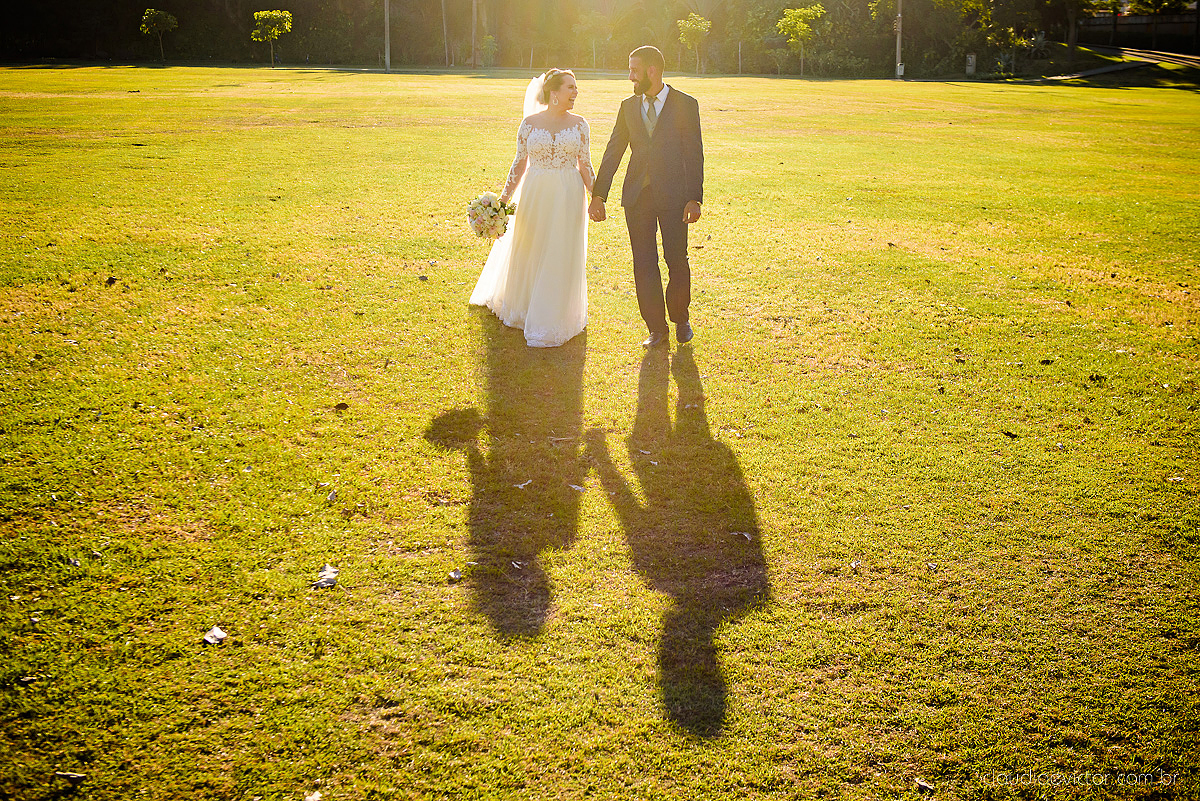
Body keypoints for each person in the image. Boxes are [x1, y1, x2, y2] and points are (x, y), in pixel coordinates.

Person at [590, 45, 704, 349]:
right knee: (643, 262)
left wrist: (694, 197)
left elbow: (694, 154)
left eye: (634, 70)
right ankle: (656, 328)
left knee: (676, 259)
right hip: (637, 196)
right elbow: (614, 150)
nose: (630, 77)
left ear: (652, 70)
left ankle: (680, 318)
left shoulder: (685, 105)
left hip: (675, 197)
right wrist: (599, 194)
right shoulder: (628, 107)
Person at [470, 69, 593, 348]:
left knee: (560, 249)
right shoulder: (529, 123)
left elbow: (585, 164)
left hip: (568, 194)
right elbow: (519, 163)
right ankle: (526, 306)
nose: (575, 93)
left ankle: (555, 311)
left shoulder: (580, 124)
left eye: (576, 88)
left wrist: (596, 197)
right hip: (535, 192)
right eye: (570, 88)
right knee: (532, 245)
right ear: (554, 92)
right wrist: (501, 203)